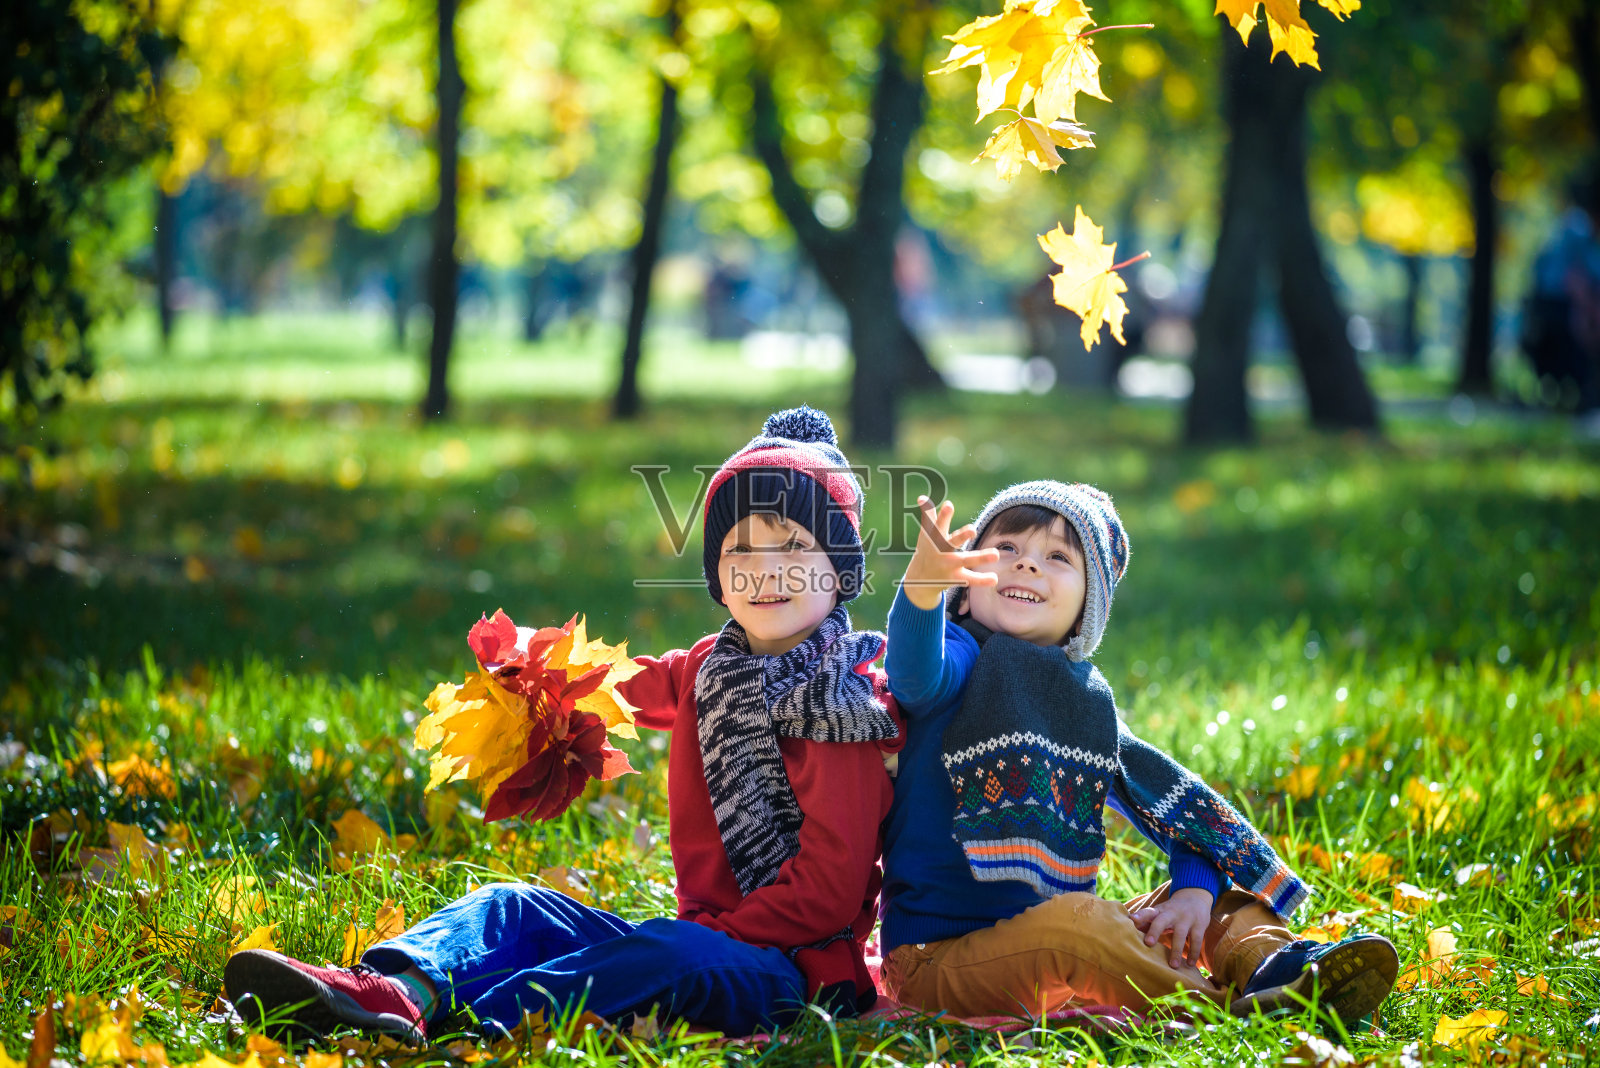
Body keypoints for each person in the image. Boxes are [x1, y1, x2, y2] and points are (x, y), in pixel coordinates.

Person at [224, 406, 903, 1042]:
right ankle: (392, 992)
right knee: (513, 906)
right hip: (697, 942)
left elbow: (828, 895)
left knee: (666, 952)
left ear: (840, 572)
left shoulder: (846, 711)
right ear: (718, 580)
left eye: (793, 548)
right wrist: (534, 676)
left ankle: (472, 1020)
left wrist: (718, 933)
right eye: (741, 552)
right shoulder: (710, 668)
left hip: (795, 972)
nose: (766, 573)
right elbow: (617, 690)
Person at [876, 480, 1398, 1028]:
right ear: (965, 586)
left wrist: (1194, 892)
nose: (1026, 566)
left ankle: (1270, 965)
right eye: (1006, 549)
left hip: (1057, 944)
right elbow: (914, 678)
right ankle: (1229, 1010)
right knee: (1080, 926)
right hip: (939, 962)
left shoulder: (1080, 705)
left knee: (1224, 889)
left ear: (1087, 611)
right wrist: (921, 591)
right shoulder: (957, 656)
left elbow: (1175, 806)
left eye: (1057, 558)